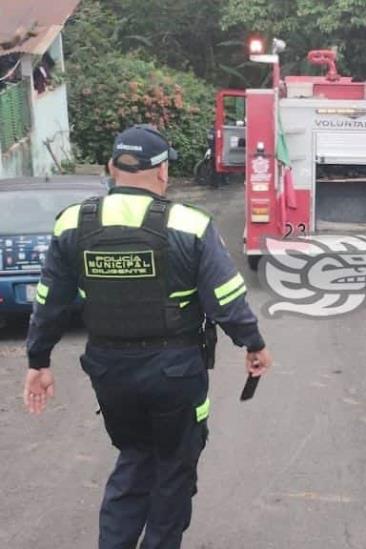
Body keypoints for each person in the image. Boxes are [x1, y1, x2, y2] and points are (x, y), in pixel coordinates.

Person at [24, 125, 272, 549]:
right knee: (175, 468)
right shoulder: (189, 224)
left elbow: (49, 301)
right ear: (162, 172)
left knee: (135, 457)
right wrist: (253, 344)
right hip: (175, 372)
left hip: (109, 372)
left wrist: (38, 361)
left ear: (110, 168)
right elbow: (226, 299)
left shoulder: (72, 224)